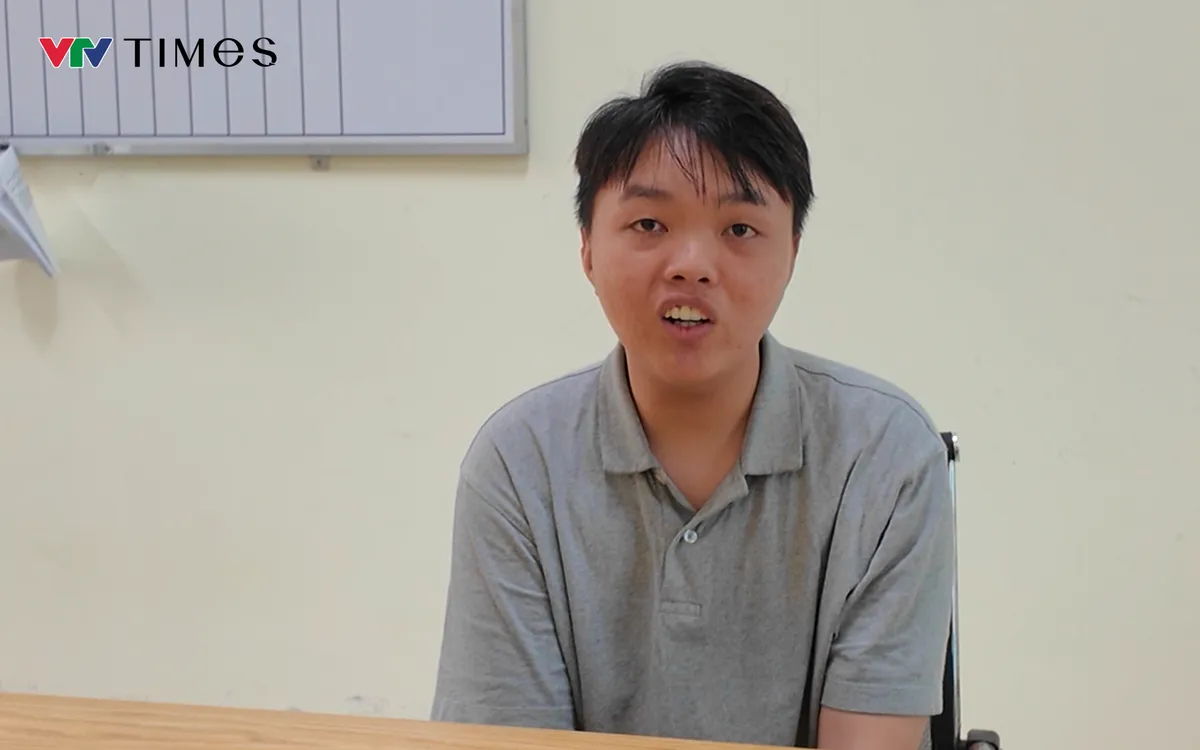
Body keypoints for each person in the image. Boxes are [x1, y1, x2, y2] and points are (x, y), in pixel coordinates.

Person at [430, 61, 954, 750]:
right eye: (649, 223)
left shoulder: (885, 454)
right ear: (587, 249)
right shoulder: (518, 462)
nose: (692, 265)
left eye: (739, 229)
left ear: (792, 252)